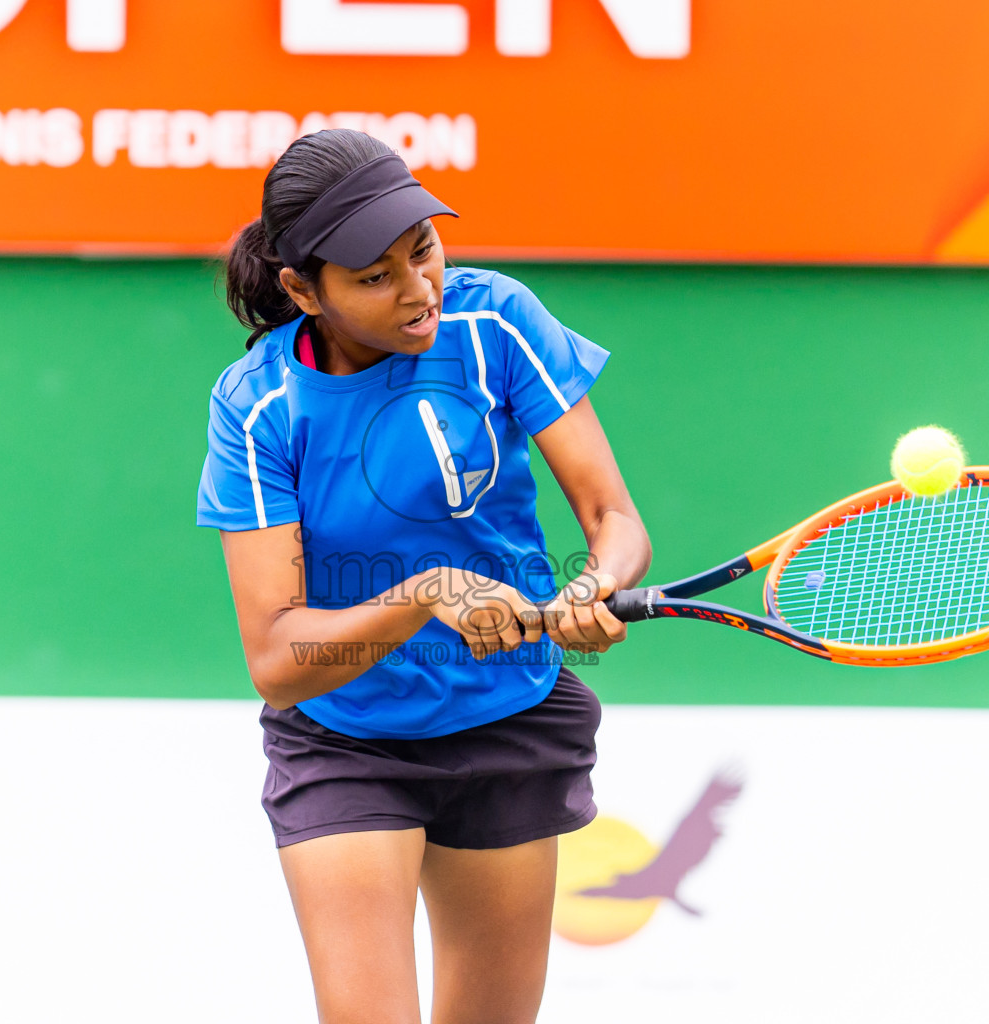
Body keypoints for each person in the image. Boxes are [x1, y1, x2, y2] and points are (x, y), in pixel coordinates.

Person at [197, 128, 651, 1024]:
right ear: (301, 290)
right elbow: (279, 659)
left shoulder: (498, 320)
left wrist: (594, 583)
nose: (418, 291)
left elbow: (613, 520)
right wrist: (423, 597)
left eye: (426, 251)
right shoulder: (256, 408)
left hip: (507, 718)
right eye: (375, 277)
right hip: (346, 741)